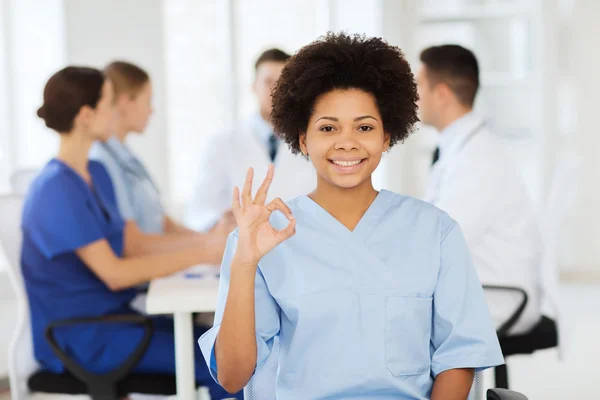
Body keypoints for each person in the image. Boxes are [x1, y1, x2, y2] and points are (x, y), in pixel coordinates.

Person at [198, 33, 504, 399]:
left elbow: (459, 358)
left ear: (387, 136)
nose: (347, 142)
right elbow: (232, 377)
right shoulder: (261, 239)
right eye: (328, 128)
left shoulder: (434, 232)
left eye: (365, 127)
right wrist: (245, 263)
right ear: (303, 138)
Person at [21, 66, 240, 399]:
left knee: (226, 344)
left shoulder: (95, 173)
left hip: (121, 320)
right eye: (109, 104)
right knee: (223, 363)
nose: (116, 112)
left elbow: (132, 243)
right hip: (85, 336)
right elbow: (115, 274)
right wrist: (204, 252)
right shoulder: (55, 189)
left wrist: (211, 240)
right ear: (85, 115)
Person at [417, 44, 542, 334]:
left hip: (498, 296)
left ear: (442, 94)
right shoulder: (463, 148)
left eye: (419, 85)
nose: (414, 96)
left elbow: (441, 244)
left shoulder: (477, 159)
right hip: (480, 285)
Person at [89, 61, 229, 235]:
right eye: (147, 101)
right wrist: (210, 246)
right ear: (125, 102)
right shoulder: (102, 160)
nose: (151, 110)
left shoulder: (128, 158)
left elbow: (164, 223)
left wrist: (216, 239)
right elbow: (131, 244)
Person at [185, 48, 316, 232]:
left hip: (298, 249)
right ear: (254, 86)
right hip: (241, 249)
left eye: (283, 83)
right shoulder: (222, 144)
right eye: (268, 82)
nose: (276, 91)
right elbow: (200, 209)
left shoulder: (313, 140)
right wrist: (219, 222)